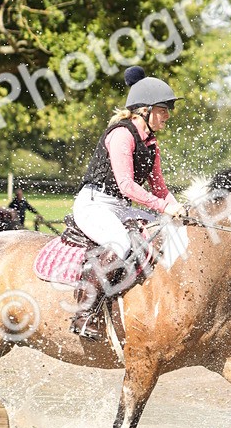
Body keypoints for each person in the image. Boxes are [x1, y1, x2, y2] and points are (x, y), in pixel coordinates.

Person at [69, 66, 187, 339]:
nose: (168, 115)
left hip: (121, 207)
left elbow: (159, 188)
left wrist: (179, 208)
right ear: (144, 109)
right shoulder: (121, 134)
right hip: (94, 204)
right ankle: (84, 314)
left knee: (170, 234)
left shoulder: (152, 143)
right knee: (120, 244)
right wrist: (164, 207)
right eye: (163, 109)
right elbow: (127, 185)